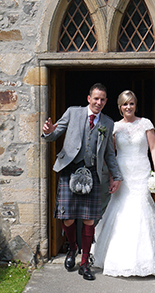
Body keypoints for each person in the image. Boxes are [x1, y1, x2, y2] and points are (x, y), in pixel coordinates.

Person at [42, 83, 123, 281]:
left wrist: (117, 176)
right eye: (96, 98)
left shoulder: (108, 122)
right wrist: (48, 131)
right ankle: (73, 248)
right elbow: (53, 135)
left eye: (103, 99)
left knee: (89, 220)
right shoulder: (72, 113)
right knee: (67, 218)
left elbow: (109, 154)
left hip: (92, 173)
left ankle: (85, 262)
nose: (99, 102)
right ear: (89, 98)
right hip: (69, 170)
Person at [92, 90, 155, 277]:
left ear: (135, 105)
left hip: (141, 170)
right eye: (125, 104)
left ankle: (146, 259)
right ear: (120, 107)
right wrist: (112, 176)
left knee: (141, 207)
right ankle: (117, 257)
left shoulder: (145, 124)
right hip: (122, 173)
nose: (128, 107)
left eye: (131, 103)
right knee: (120, 209)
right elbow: (111, 154)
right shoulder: (115, 127)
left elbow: (153, 148)